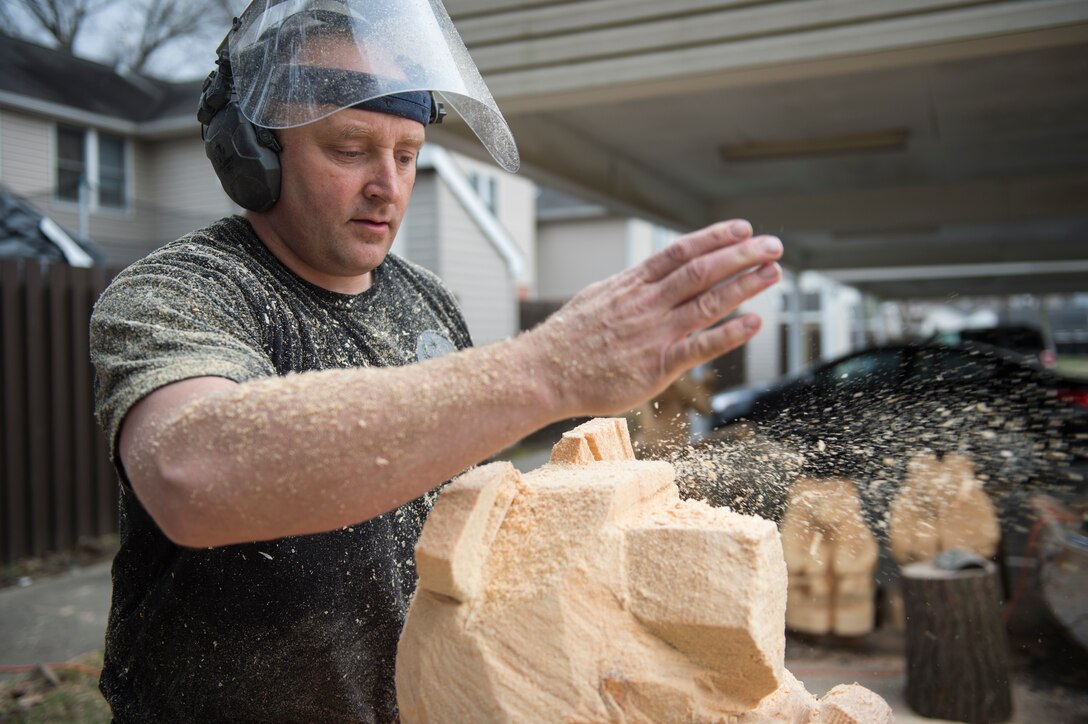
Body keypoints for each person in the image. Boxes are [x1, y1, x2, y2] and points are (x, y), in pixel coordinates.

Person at [89, 1, 784, 721]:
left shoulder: (427, 300)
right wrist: (545, 370)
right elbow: (192, 470)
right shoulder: (184, 290)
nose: (388, 186)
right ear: (254, 152)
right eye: (350, 148)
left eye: (407, 153)